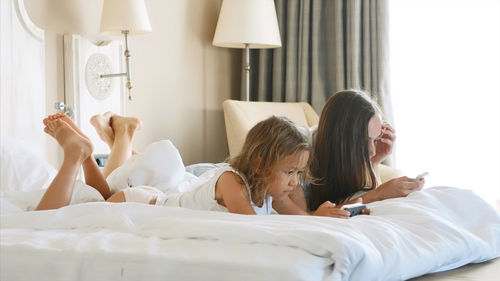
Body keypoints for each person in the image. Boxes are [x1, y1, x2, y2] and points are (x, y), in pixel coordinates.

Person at [36, 113, 351, 218]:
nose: (296, 182)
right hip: (149, 201)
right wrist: (303, 214)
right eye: (289, 172)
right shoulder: (233, 182)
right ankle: (83, 154)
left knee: (103, 195)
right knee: (97, 202)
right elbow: (256, 227)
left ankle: (88, 153)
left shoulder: (267, 188)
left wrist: (315, 215)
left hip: (161, 195)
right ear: (259, 162)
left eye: (298, 173)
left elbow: (298, 218)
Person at [308, 89, 425, 211]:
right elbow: (309, 216)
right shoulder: (301, 153)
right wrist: (378, 194)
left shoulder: (346, 159)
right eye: (364, 141)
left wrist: (374, 162)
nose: (372, 151)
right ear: (341, 138)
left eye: (375, 140)